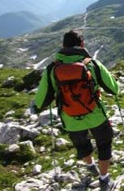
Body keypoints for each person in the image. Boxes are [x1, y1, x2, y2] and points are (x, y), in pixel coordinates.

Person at [32, 30, 119, 191]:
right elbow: (113, 88)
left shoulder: (52, 69)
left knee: (82, 145)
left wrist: (35, 107)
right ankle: (104, 179)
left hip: (70, 118)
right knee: (104, 143)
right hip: (96, 115)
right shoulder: (92, 64)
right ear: (82, 45)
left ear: (63, 46)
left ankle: (91, 165)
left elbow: (43, 99)